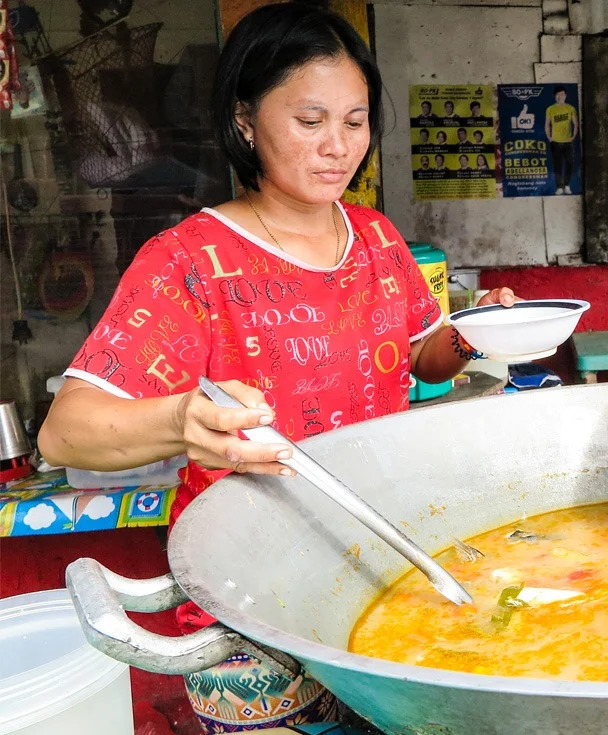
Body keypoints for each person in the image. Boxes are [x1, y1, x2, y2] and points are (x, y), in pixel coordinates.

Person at [37, 4, 518, 732]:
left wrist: (482, 334)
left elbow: (425, 358)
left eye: (354, 122)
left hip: (389, 571)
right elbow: (66, 435)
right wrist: (179, 420)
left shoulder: (379, 239)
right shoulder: (189, 263)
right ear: (245, 122)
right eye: (310, 120)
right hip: (252, 616)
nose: (338, 147)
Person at [544, 86, 578, 195]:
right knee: (557, 165)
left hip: (568, 142)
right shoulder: (550, 109)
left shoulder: (571, 108)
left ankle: (567, 185)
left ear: (565, 95)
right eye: (558, 95)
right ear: (555, 96)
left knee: (569, 164)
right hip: (555, 142)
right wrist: (549, 137)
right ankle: (559, 187)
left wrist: (573, 136)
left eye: (562, 94)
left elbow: (575, 124)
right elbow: (547, 125)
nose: (560, 96)